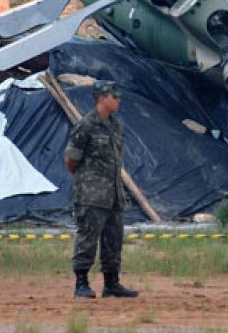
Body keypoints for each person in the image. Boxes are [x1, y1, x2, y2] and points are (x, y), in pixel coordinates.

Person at [64, 79, 139, 299]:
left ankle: (112, 283)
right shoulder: (86, 126)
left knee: (113, 240)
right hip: (92, 194)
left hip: (114, 194)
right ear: (102, 98)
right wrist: (89, 181)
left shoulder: (116, 126)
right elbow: (71, 160)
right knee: (87, 238)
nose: (118, 100)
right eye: (114, 97)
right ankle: (81, 283)